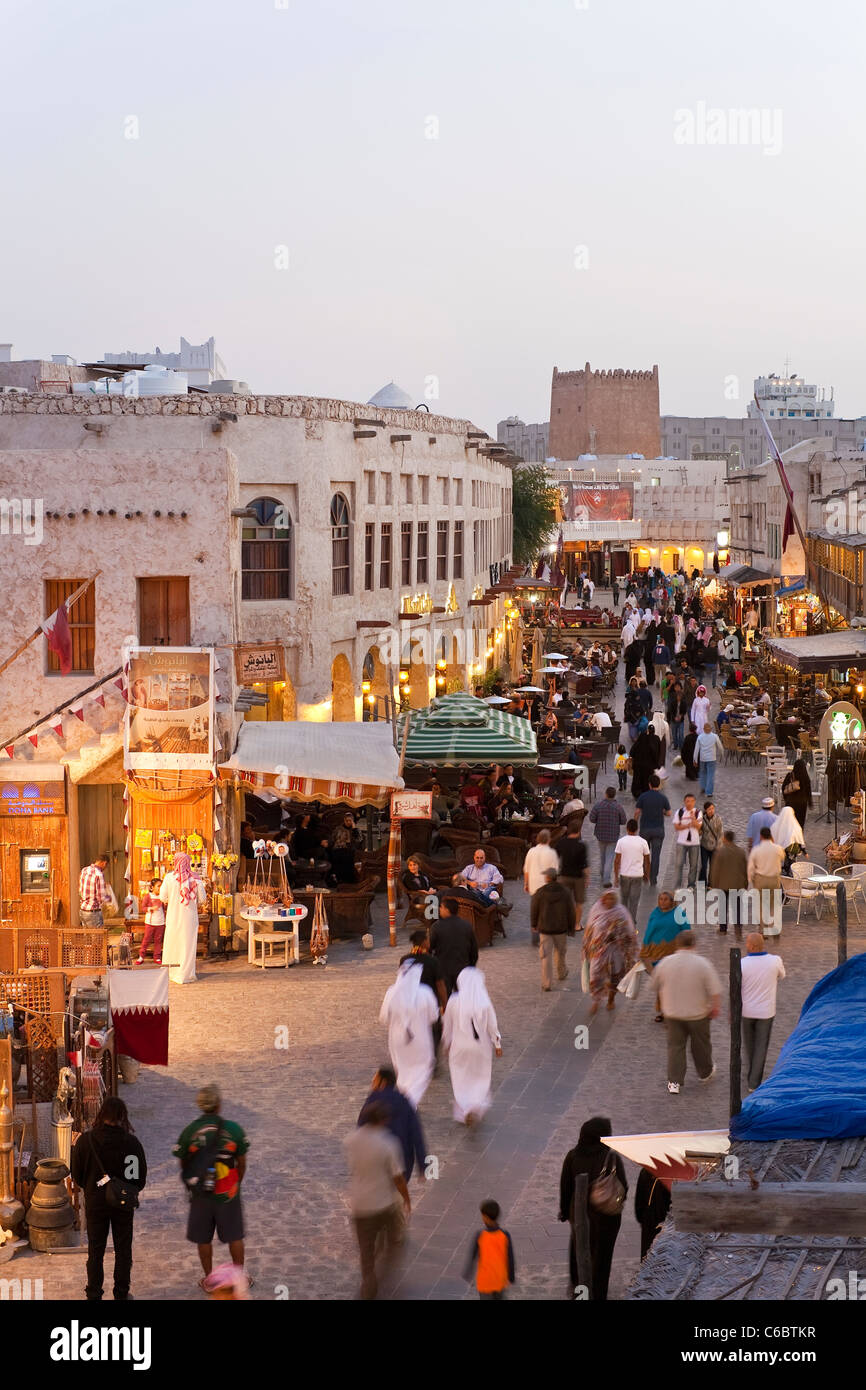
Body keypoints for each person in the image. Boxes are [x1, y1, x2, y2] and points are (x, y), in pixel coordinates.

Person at [70, 1096, 147, 1302]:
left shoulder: (86, 1141)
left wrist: (92, 1187)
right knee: (123, 1250)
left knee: (96, 1249)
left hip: (96, 1203)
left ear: (102, 1114)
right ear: (122, 1117)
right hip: (123, 1204)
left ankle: (94, 1293)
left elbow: (76, 1174)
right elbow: (140, 1179)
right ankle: (121, 1293)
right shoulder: (132, 1143)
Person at [174, 1083, 249, 1288]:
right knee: (235, 1235)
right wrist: (235, 1182)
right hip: (228, 1191)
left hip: (201, 1194)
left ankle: (210, 1279)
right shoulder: (233, 1130)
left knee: (203, 1237)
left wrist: (194, 1179)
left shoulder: (190, 1131)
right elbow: (241, 1163)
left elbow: (183, 1161)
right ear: (219, 1105)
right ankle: (239, 1278)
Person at [345, 1101, 411, 1300]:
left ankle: (369, 1285)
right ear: (383, 1120)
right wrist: (406, 1198)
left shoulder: (351, 1140)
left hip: (360, 1204)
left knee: (366, 1252)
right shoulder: (388, 1143)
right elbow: (398, 1177)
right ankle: (385, 1276)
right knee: (393, 1241)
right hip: (383, 1204)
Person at [558, 1117, 627, 1301]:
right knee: (602, 1258)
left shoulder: (573, 1156)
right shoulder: (611, 1158)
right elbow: (623, 1187)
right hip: (606, 1219)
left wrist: (565, 1211)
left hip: (580, 1216)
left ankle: (581, 1292)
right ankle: (598, 1294)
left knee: (579, 1251)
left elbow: (566, 1187)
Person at [653, 931, 721, 1094]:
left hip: (673, 1013)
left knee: (675, 1047)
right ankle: (705, 1073)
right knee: (701, 1046)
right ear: (694, 944)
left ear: (677, 944)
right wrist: (715, 1006)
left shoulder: (666, 963)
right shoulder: (703, 964)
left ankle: (674, 1082)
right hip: (697, 1014)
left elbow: (654, 984)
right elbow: (715, 989)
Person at [442, 966, 502, 1125]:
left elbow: (447, 1025)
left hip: (459, 1046)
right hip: (480, 1047)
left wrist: (447, 1043)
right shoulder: (484, 1000)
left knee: (461, 1077)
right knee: (480, 1076)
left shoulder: (454, 1001)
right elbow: (492, 1025)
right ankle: (476, 1105)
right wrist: (497, 1044)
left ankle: (466, 1107)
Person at [379, 959, 440, 1106]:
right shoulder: (425, 992)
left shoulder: (391, 992)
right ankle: (408, 1102)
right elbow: (434, 1017)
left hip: (397, 1039)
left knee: (402, 1070)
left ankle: (403, 1098)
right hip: (420, 1039)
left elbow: (384, 1018)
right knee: (422, 1070)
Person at [358, 1066, 427, 1182]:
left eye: (374, 1080)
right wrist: (422, 1166)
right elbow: (416, 1134)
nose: (372, 1083)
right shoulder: (405, 1101)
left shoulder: (373, 1099)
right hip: (403, 1159)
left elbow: (361, 1129)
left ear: (382, 1082)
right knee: (397, 1194)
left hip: (378, 1158)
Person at [741, 933, 786, 1092]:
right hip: (766, 1011)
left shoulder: (742, 963)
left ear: (752, 946)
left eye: (747, 943)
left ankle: (752, 1074)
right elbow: (782, 975)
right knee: (761, 1046)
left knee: (749, 1044)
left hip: (747, 1010)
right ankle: (754, 1081)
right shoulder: (774, 961)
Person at [582, 889, 638, 1016]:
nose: (609, 901)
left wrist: (624, 943)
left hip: (616, 949)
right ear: (602, 899)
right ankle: (596, 1000)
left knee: (615, 975)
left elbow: (628, 931)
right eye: (607, 898)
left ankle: (611, 998)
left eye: (612, 899)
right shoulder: (596, 910)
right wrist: (587, 946)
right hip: (599, 950)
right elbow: (590, 929)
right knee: (595, 974)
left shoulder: (621, 912)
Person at [159, 851, 205, 985]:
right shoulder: (196, 878)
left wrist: (172, 899)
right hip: (189, 918)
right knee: (187, 945)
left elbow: (162, 898)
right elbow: (202, 899)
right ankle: (186, 975)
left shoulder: (168, 877)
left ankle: (171, 972)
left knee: (172, 943)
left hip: (173, 917)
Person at [531, 865, 575, 991]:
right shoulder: (565, 892)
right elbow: (571, 911)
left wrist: (534, 924)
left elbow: (534, 909)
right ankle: (561, 973)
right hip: (560, 929)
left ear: (547, 878)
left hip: (545, 929)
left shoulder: (540, 892)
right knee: (560, 953)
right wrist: (571, 928)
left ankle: (547, 983)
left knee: (546, 956)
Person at [463, 1199, 515, 1300]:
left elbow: (473, 1255)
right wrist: (511, 1277)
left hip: (485, 1281)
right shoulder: (505, 1235)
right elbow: (510, 1258)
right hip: (500, 1278)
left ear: (486, 1217)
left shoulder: (480, 1235)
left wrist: (468, 1272)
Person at [430, 895, 479, 994]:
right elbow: (474, 951)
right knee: (462, 998)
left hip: (443, 968)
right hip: (463, 968)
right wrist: (471, 966)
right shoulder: (467, 926)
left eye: (441, 907)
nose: (440, 909)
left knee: (445, 999)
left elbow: (430, 947)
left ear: (447, 910)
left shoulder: (436, 927)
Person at [523, 829, 561, 946]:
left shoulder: (531, 851)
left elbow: (526, 870)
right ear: (549, 839)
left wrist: (526, 883)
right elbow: (555, 871)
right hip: (546, 885)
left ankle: (535, 935)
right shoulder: (551, 853)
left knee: (535, 910)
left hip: (534, 884)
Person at [747, 826, 785, 937]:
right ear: (771, 836)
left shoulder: (756, 850)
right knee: (774, 904)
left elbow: (750, 868)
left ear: (761, 836)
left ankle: (762, 930)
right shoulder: (778, 848)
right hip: (774, 879)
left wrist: (750, 880)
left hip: (761, 879)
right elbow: (782, 857)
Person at [709, 829, 748, 934]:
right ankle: (738, 927)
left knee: (722, 907)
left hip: (723, 885)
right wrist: (745, 884)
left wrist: (713, 884)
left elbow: (715, 870)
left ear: (725, 838)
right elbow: (745, 869)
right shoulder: (741, 852)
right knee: (737, 907)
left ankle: (723, 929)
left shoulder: (720, 852)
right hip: (737, 885)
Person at [635, 774, 671, 885]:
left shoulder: (643, 796)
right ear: (659, 785)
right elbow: (669, 813)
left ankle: (644, 874)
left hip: (645, 829)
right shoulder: (663, 798)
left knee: (644, 854)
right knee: (656, 855)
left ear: (649, 784)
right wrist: (662, 812)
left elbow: (637, 812)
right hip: (658, 830)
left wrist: (634, 824)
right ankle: (653, 878)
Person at [613, 819, 650, 927]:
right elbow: (647, 860)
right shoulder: (643, 842)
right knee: (634, 900)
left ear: (627, 828)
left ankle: (624, 919)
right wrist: (647, 874)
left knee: (624, 898)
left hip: (624, 874)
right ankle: (632, 920)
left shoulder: (621, 841)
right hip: (637, 874)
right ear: (637, 829)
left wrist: (616, 876)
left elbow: (616, 861)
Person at [588, 787, 627, 888]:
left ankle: (602, 873)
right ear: (614, 795)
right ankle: (606, 878)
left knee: (602, 855)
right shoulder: (618, 807)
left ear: (606, 794)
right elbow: (623, 821)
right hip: (613, 835)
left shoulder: (598, 805)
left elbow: (592, 818)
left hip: (600, 834)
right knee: (610, 857)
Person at [557, 821, 589, 930]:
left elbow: (556, 857)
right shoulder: (581, 846)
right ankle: (576, 924)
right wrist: (587, 878)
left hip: (564, 875)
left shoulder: (561, 843)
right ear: (579, 831)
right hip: (578, 877)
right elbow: (585, 864)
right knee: (579, 902)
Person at [634, 1168, 672, 1260]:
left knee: (648, 1255)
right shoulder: (672, 1174)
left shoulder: (645, 1171)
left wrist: (642, 1217)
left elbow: (639, 1201)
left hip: (649, 1221)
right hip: (665, 1223)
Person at [672, 795, 702, 889]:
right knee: (679, 864)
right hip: (681, 842)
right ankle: (677, 886)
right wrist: (687, 826)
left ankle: (691, 885)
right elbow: (676, 827)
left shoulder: (698, 812)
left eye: (692, 801)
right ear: (684, 802)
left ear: (694, 802)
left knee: (693, 865)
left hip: (694, 843)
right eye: (687, 801)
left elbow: (698, 827)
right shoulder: (680, 812)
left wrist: (693, 818)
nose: (690, 803)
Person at [137, 877, 166, 964]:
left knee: (158, 941)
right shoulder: (148, 896)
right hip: (150, 923)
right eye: (158, 886)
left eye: (161, 886)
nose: (160, 888)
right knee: (146, 940)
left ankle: (157, 957)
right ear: (152, 887)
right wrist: (151, 908)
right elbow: (143, 908)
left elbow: (165, 908)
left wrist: (166, 904)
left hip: (160, 922)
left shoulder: (163, 897)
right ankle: (141, 956)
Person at [328, 812, 362, 884]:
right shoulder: (338, 829)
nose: (348, 822)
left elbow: (359, 840)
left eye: (350, 821)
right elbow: (332, 839)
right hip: (338, 849)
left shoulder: (355, 830)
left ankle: (347, 880)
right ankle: (338, 878)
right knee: (337, 856)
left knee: (348, 857)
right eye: (347, 820)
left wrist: (354, 829)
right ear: (344, 820)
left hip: (349, 849)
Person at [629, 723, 661, 799]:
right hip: (649, 766)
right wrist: (656, 764)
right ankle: (646, 794)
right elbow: (657, 753)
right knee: (647, 780)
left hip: (638, 765)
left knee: (637, 779)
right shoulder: (656, 739)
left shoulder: (641, 739)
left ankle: (637, 793)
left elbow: (632, 751)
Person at [79, 852, 111, 927]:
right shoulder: (99, 874)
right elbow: (101, 897)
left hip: (83, 910)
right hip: (93, 912)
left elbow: (80, 891)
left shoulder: (84, 870)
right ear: (104, 863)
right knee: (97, 938)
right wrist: (110, 898)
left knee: (87, 937)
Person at [782, 758, 813, 830]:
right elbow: (808, 791)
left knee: (790, 824)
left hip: (790, 803)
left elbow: (784, 788)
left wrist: (786, 799)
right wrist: (810, 802)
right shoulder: (805, 778)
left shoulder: (790, 776)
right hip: (802, 804)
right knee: (800, 824)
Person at [695, 722, 723, 797]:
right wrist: (722, 754)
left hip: (703, 758)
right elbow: (720, 746)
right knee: (711, 775)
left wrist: (695, 759)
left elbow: (696, 749)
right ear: (711, 729)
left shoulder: (700, 737)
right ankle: (709, 792)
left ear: (703, 729)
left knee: (703, 773)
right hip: (712, 758)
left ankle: (703, 787)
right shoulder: (714, 736)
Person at [699, 801, 723, 884]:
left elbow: (720, 834)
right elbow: (699, 832)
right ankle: (702, 883)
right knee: (704, 866)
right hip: (704, 846)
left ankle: (711, 883)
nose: (711, 810)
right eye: (709, 809)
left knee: (713, 866)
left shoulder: (718, 819)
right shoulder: (702, 819)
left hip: (715, 847)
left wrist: (718, 846)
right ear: (706, 810)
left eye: (713, 808)